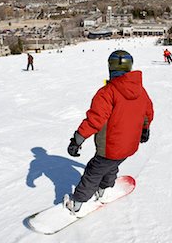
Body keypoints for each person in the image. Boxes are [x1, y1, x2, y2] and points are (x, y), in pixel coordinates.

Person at [66, 49, 154, 216]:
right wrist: (145, 129)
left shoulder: (107, 93)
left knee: (94, 171)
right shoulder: (140, 90)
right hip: (129, 146)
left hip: (110, 146)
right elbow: (147, 112)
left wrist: (77, 140)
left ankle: (77, 203)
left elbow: (94, 120)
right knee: (112, 165)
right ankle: (105, 190)